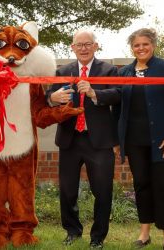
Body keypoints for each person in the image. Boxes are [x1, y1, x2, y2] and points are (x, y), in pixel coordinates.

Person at [46, 30, 120, 249]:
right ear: (72, 47)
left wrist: (94, 94)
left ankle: (98, 237)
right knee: (68, 191)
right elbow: (46, 98)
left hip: (99, 142)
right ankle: (72, 231)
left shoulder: (108, 70)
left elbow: (118, 94)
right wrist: (53, 98)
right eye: (79, 45)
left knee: (103, 191)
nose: (84, 48)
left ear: (96, 46)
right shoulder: (62, 71)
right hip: (70, 140)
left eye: (88, 44)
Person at [117, 28, 164, 250]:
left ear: (153, 45)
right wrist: (119, 141)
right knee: (142, 186)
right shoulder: (125, 73)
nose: (141, 48)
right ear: (132, 48)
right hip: (135, 142)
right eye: (136, 45)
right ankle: (144, 233)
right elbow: (118, 108)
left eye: (145, 44)